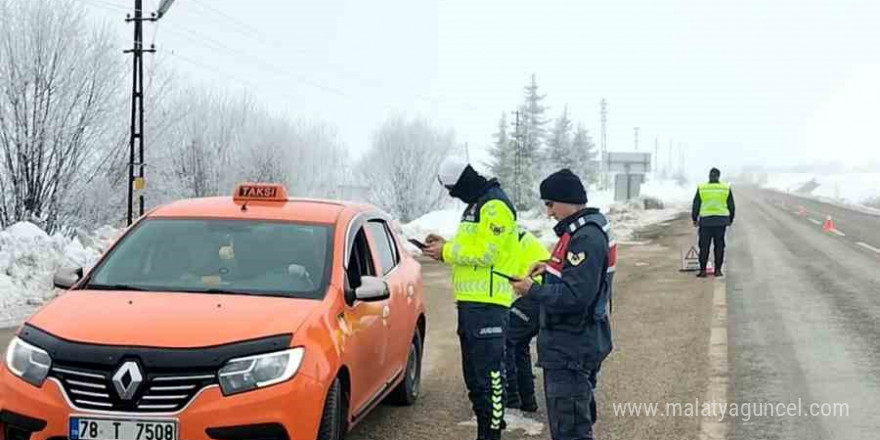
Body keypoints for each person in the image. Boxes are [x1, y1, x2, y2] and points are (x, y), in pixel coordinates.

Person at [510, 169, 613, 440]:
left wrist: (532, 290)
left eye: (550, 204)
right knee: (572, 423)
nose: (548, 212)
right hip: (571, 344)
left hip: (571, 348)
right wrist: (549, 268)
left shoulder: (586, 237)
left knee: (571, 430)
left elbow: (576, 297)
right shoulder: (580, 231)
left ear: (567, 200)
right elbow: (578, 278)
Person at [423, 156, 520, 440]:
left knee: (490, 380)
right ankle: (483, 432)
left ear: (464, 181)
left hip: (489, 305)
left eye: (453, 190)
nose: (454, 196)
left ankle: (491, 435)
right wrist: (445, 245)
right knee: (475, 381)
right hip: (471, 304)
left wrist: (447, 252)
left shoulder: (494, 206)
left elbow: (487, 253)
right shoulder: (476, 204)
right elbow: (471, 247)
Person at [504, 230, 549, 413]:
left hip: (532, 297)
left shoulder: (507, 238)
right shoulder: (518, 236)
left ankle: (512, 397)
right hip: (537, 297)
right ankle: (527, 400)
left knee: (507, 341)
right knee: (518, 345)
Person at [691, 167, 735, 278]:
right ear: (718, 176)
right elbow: (731, 205)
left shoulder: (702, 188)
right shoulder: (725, 188)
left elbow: (696, 204)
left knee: (704, 246)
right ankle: (718, 270)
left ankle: (703, 271)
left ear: (709, 176)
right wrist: (730, 219)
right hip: (720, 222)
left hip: (705, 221)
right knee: (719, 246)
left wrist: (694, 218)